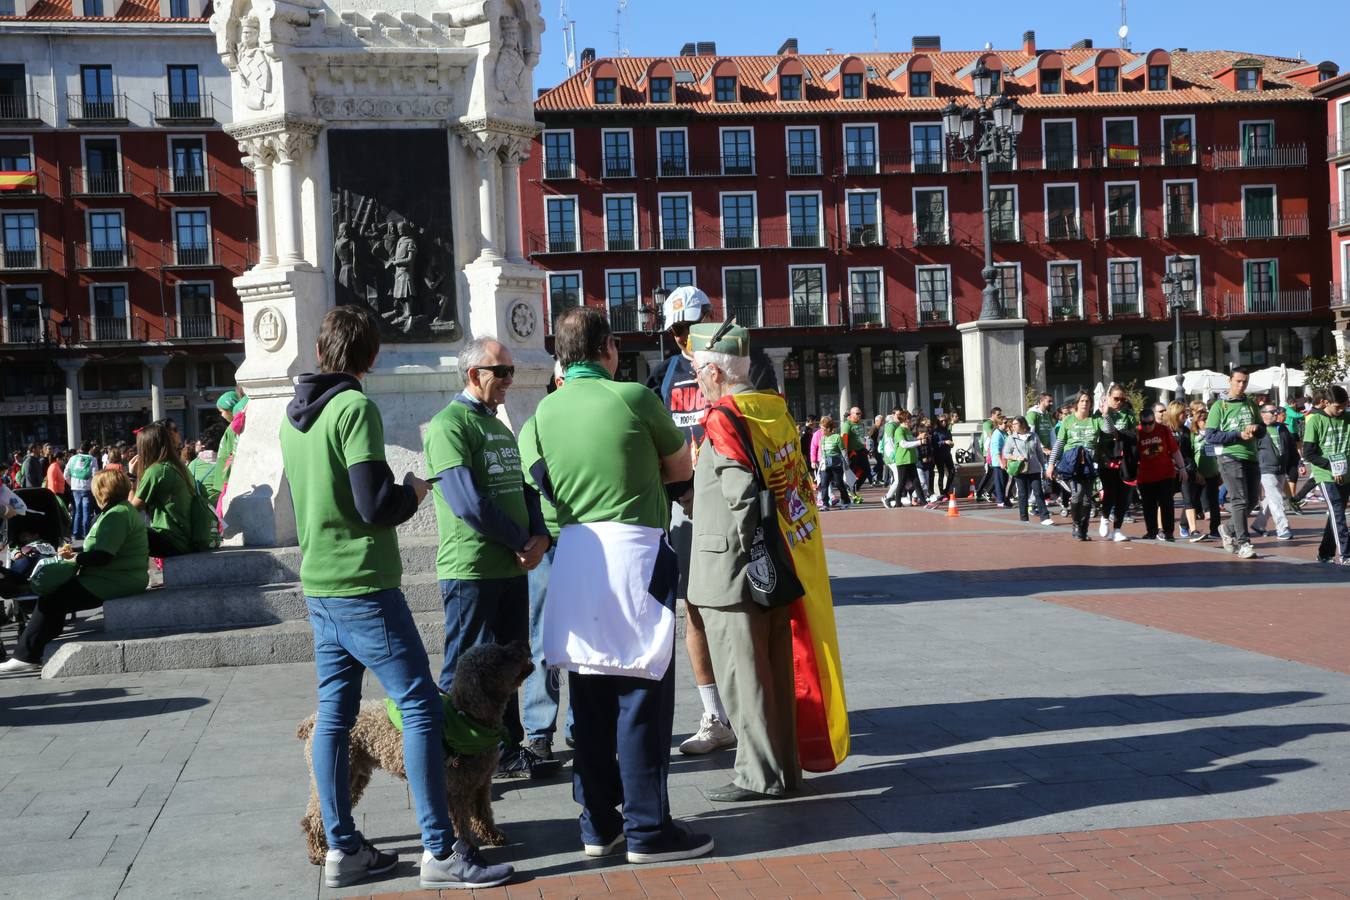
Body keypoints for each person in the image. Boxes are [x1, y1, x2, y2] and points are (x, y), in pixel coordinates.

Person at [279, 305, 509, 889]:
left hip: (320, 586)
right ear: (372, 355)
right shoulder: (353, 407)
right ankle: (439, 849)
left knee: (335, 715)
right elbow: (372, 504)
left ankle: (342, 850)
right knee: (423, 707)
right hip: (365, 584)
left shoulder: (292, 418)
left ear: (321, 350)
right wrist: (410, 493)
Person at [520, 306, 712, 865]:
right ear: (607, 349)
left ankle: (598, 823)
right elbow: (680, 473)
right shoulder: (633, 399)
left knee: (591, 697)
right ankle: (649, 829)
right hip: (636, 552)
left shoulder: (541, 414)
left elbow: (541, 485)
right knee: (641, 696)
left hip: (575, 556)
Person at [423, 336, 558, 777]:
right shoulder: (449, 425)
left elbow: (523, 488)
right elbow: (466, 503)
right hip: (472, 569)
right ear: (473, 375)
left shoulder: (499, 426)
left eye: (511, 372)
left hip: (510, 566)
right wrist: (521, 540)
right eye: (500, 372)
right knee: (464, 667)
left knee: (508, 666)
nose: (508, 381)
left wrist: (538, 535)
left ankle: (505, 749)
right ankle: (447, 755)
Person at [685, 322, 806, 801]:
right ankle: (784, 770)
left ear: (715, 371)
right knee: (773, 675)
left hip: (733, 571)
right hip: (776, 562)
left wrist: (748, 556)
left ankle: (757, 775)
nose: (697, 382)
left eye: (698, 373)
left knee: (742, 679)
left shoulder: (724, 419)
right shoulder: (772, 410)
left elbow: (740, 496)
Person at [644, 286, 759, 758]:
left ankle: (754, 709)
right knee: (693, 609)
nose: (680, 340)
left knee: (745, 608)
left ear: (711, 317)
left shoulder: (745, 364)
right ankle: (715, 714)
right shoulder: (661, 378)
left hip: (736, 505)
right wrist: (680, 494)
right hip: (687, 513)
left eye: (688, 328)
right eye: (674, 332)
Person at [0, 469, 149, 674]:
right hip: (119, 577)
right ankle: (35, 647)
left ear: (102, 491)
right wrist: (77, 552)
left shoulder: (116, 515)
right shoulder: (122, 510)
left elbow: (103, 556)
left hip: (113, 580)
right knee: (58, 597)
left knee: (52, 598)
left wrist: (73, 557)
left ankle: (25, 656)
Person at [1204, 368, 1263, 559]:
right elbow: (1211, 435)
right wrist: (1237, 434)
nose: (1241, 385)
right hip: (1230, 456)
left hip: (1251, 456)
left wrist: (1256, 428)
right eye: (1238, 381)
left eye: (1245, 382)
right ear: (1230, 381)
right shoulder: (1219, 406)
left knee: (1253, 500)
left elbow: (1262, 429)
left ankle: (1227, 529)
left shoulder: (1250, 404)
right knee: (1239, 500)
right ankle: (1243, 542)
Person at [1301, 384, 1350, 564]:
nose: (1341, 410)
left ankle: (1325, 553)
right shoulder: (1315, 420)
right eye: (1338, 406)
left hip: (1346, 474)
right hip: (1326, 474)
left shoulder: (1348, 418)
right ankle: (1346, 555)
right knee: (1338, 513)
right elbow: (1309, 453)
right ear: (1326, 403)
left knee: (1335, 515)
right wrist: (1331, 466)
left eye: (1345, 405)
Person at [131, 423, 194, 558]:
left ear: (145, 447)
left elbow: (131, 509)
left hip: (172, 540)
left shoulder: (156, 471)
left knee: (114, 524)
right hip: (187, 538)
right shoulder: (178, 466)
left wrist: (131, 478)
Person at [1048, 391, 1104, 541]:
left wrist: (1105, 414)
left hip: (1090, 464)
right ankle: (1076, 524)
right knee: (1077, 495)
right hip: (1072, 463)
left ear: (1091, 404)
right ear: (1076, 403)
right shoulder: (1068, 421)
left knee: (1087, 498)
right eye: (1082, 401)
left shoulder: (1096, 420)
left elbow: (1109, 431)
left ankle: (1083, 530)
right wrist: (1051, 464)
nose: (1085, 403)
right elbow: (1059, 444)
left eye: (1087, 401)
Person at [1135, 405, 1186, 541]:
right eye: (1144, 423)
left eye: (1150, 423)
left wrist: (1182, 468)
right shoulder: (1137, 432)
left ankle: (1168, 532)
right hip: (1145, 476)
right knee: (1148, 506)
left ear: (1154, 420)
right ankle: (1151, 531)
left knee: (1166, 504)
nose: (1147, 427)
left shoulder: (1163, 430)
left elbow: (1175, 450)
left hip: (1165, 474)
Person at [1097, 385, 1137, 542]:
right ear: (1108, 397)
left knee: (1124, 495)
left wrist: (1120, 435)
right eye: (1116, 398)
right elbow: (1105, 431)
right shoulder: (1100, 413)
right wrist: (1119, 434)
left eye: (1122, 399)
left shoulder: (1129, 414)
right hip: (1107, 459)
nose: (1119, 402)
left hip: (1125, 459)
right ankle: (1105, 517)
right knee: (1110, 492)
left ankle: (1118, 529)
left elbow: (1133, 435)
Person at [1250, 403, 1295, 541]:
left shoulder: (1281, 428)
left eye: (1277, 412)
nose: (1276, 414)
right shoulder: (1257, 429)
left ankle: (1259, 524)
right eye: (1273, 412)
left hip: (1280, 467)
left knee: (1271, 498)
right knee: (1276, 498)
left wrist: (1295, 464)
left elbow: (1291, 447)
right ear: (1262, 414)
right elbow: (1252, 449)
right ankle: (1283, 528)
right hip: (1265, 468)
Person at [1003, 417, 1053, 525]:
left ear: (1023, 424)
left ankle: (1045, 517)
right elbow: (1006, 454)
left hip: (1034, 469)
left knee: (1038, 492)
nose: (1013, 426)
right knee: (1022, 494)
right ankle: (1024, 518)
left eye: (1016, 424)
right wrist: (1016, 457)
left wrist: (1044, 467)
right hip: (1021, 470)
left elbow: (1039, 452)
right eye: (1013, 424)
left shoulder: (1033, 436)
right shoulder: (1011, 438)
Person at [1166, 401, 1201, 539]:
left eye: (1185, 413)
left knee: (1189, 499)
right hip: (1170, 470)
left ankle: (1193, 530)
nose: (1185, 415)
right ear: (1175, 414)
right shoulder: (1166, 430)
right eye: (1182, 413)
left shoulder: (1186, 431)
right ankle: (1162, 529)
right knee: (1165, 500)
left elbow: (1190, 451)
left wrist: (1194, 469)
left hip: (1186, 469)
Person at [64, 442, 98, 540]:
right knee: (86, 512)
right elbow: (95, 475)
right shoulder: (92, 459)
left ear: (80, 448)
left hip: (75, 488)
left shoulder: (72, 458)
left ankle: (75, 533)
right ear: (90, 449)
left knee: (78, 511)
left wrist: (72, 484)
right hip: (87, 488)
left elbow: (66, 474)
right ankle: (86, 534)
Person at [816, 417, 849, 509]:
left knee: (839, 483)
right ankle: (825, 504)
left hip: (836, 464)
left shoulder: (837, 437)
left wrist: (846, 464)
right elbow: (821, 452)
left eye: (823, 429)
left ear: (829, 429)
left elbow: (843, 451)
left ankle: (846, 501)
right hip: (825, 465)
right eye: (821, 428)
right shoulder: (822, 439)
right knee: (824, 484)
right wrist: (820, 462)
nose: (821, 431)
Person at [843, 407, 867, 501]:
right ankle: (851, 491)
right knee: (852, 473)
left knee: (866, 471)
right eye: (856, 413)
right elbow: (844, 439)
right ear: (851, 414)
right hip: (852, 452)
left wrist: (865, 448)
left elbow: (862, 437)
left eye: (860, 413)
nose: (859, 415)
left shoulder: (861, 423)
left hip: (861, 450)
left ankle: (854, 488)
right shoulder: (847, 424)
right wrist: (845, 453)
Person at [931, 414, 955, 498]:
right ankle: (942, 493)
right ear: (938, 422)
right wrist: (944, 442)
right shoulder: (936, 431)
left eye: (945, 420)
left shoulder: (947, 431)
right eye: (941, 421)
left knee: (952, 472)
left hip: (947, 454)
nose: (944, 422)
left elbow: (951, 441)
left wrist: (951, 443)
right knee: (941, 473)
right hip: (939, 455)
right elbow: (934, 444)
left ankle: (946, 490)